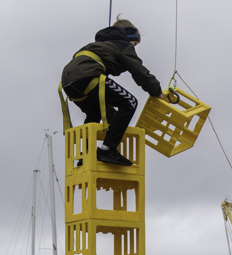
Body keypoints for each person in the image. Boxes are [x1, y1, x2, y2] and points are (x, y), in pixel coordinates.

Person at [60, 17, 165, 166]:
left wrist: (115, 121)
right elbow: (139, 71)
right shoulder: (123, 45)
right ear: (129, 37)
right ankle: (107, 150)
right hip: (87, 76)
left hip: (68, 82)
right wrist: (157, 91)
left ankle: (87, 154)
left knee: (95, 112)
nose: (133, 49)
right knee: (129, 102)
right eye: (134, 45)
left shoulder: (98, 45)